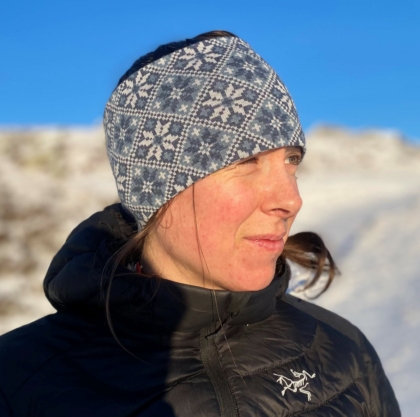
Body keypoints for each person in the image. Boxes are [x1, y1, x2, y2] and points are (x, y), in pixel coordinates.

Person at [0, 30, 400, 416]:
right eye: (247, 161)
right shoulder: (19, 383)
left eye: (291, 161)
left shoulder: (345, 354)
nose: (291, 200)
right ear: (156, 189)